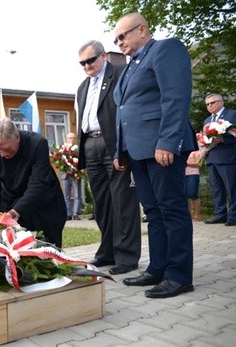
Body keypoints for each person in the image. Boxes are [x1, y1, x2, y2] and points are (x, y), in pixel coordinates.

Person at [113, 13, 197, 298]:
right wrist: (119, 150)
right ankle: (158, 268)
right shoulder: (128, 68)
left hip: (161, 147)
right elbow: (123, 112)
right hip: (137, 151)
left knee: (171, 209)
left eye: (122, 36)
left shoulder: (165, 49)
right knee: (153, 211)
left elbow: (175, 97)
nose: (119, 42)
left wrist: (168, 141)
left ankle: (179, 275)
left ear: (142, 29)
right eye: (116, 38)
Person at [76, 39, 141, 275]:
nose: (87, 66)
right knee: (102, 203)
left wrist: (121, 148)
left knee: (123, 201)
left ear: (103, 56)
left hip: (113, 143)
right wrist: (82, 155)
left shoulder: (120, 73)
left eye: (90, 60)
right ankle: (108, 251)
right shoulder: (83, 86)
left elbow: (128, 111)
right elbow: (81, 119)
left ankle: (127, 256)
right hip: (90, 144)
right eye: (82, 63)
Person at [0, 117, 66, 248]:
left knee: (47, 255)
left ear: (17, 136)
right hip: (11, 202)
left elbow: (38, 184)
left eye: (6, 148)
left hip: (44, 206)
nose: (2, 155)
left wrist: (12, 213)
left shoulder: (37, 144)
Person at [202, 94, 236, 226]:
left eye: (213, 102)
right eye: (207, 104)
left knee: (231, 188)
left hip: (228, 157)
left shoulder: (232, 115)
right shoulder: (207, 121)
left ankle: (233, 215)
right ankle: (220, 214)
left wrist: (223, 139)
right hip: (211, 158)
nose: (210, 105)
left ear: (222, 102)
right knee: (216, 189)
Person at [61, 132, 82, 220]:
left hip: (75, 175)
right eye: (70, 138)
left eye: (73, 138)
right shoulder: (62, 149)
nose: (71, 140)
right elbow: (59, 161)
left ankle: (75, 213)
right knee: (66, 195)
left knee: (77, 195)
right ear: (67, 139)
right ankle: (68, 214)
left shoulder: (79, 149)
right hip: (65, 175)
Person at [185, 148, 206, 221]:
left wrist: (186, 163)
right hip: (182, 174)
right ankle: (188, 214)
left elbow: (199, 164)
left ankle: (197, 215)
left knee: (193, 194)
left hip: (193, 174)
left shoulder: (199, 150)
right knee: (184, 195)